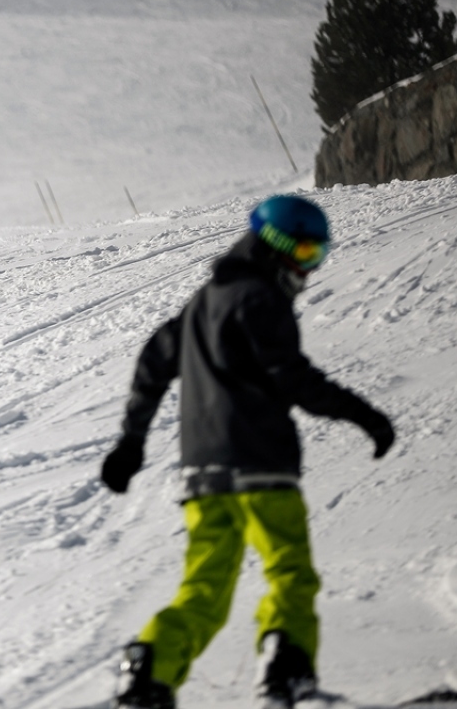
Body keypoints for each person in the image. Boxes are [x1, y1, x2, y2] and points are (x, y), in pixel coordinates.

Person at [99, 195, 396, 709]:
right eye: (305, 253)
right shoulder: (261, 298)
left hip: (203, 478)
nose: (309, 268)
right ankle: (286, 673)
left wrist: (131, 441)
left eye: (318, 255)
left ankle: (148, 671)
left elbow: (152, 363)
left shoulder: (204, 301)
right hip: (261, 468)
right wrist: (363, 415)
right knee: (289, 574)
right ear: (276, 245)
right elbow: (292, 377)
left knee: (204, 589)